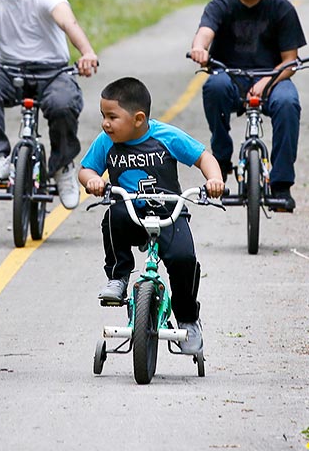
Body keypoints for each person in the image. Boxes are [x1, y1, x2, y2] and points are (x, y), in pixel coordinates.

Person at [79, 76, 224, 357]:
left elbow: (203, 157)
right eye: (103, 116)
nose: (105, 123)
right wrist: (93, 180)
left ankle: (188, 319)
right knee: (113, 216)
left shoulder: (166, 136)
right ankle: (118, 277)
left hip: (168, 211)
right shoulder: (106, 141)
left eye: (111, 116)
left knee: (184, 259)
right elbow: (86, 169)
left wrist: (214, 179)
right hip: (131, 211)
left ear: (138, 119)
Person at [0, 0, 100, 209]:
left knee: (63, 103)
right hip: (10, 72)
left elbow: (68, 22)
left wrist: (87, 52)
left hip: (53, 71)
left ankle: (62, 165)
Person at [187, 0, 308, 211]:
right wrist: (199, 48)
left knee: (289, 103)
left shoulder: (282, 8)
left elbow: (290, 61)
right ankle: (221, 157)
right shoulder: (222, 3)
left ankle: (281, 184)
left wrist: (266, 82)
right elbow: (205, 31)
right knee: (213, 87)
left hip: (274, 77)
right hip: (230, 76)